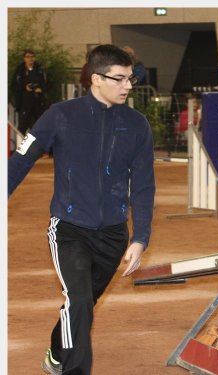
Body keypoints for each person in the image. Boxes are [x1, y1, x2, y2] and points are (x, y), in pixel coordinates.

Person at [8, 44, 156, 375]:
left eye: (130, 78)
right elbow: (21, 161)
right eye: (119, 79)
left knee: (82, 306)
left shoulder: (136, 125)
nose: (128, 86)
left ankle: (57, 354)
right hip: (69, 229)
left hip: (114, 235)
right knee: (79, 303)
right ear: (95, 78)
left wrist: (140, 237)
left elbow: (144, 186)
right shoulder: (60, 115)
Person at [11, 49, 48, 135]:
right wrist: (25, 87)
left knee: (40, 125)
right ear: (24, 58)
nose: (30, 59)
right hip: (25, 101)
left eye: (32, 57)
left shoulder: (40, 69)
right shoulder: (20, 71)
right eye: (28, 57)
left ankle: (38, 147)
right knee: (23, 126)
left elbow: (48, 83)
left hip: (38, 101)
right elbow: (13, 86)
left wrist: (41, 89)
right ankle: (21, 147)